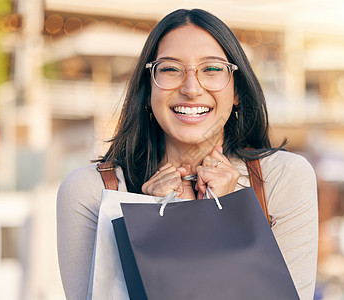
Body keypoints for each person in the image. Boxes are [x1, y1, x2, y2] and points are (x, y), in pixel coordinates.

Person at [57, 8, 318, 299]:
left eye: (212, 69)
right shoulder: (91, 192)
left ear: (237, 92)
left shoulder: (282, 178)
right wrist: (158, 227)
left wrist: (229, 216)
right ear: (148, 91)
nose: (192, 88)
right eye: (170, 69)